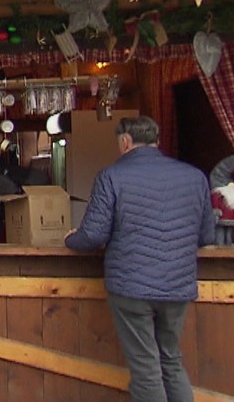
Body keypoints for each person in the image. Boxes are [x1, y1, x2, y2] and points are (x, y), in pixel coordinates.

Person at [64, 116, 215, 402]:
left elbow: (92, 237)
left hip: (132, 286)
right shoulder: (195, 177)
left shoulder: (111, 176)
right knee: (170, 360)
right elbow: (206, 235)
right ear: (157, 140)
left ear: (125, 142)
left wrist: (70, 238)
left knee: (146, 367)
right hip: (178, 284)